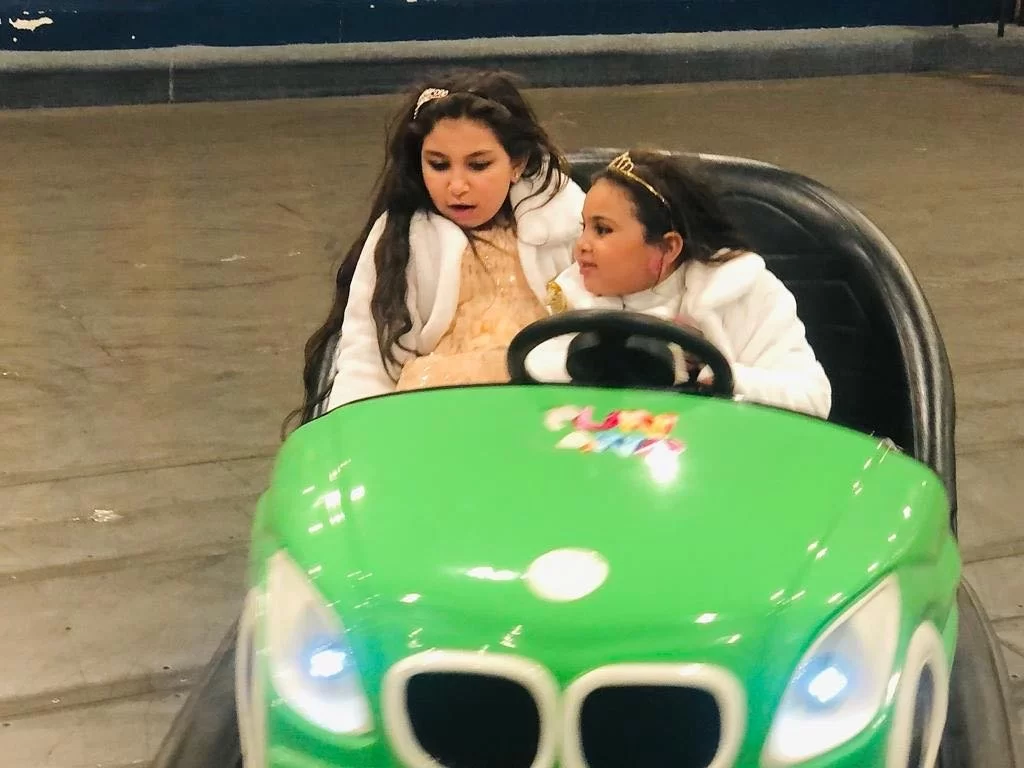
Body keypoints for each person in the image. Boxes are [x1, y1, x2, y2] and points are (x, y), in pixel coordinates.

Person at [297, 70, 585, 420]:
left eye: (478, 165)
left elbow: (616, 312)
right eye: (438, 165)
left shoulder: (570, 221)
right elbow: (366, 358)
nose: (457, 186)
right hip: (435, 415)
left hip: (551, 411)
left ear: (517, 163)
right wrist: (357, 432)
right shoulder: (402, 238)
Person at [535, 149, 832, 418]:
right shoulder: (572, 294)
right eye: (584, 227)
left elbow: (812, 398)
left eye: (602, 230)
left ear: (668, 247)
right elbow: (535, 366)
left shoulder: (740, 291)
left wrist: (721, 376)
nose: (581, 246)